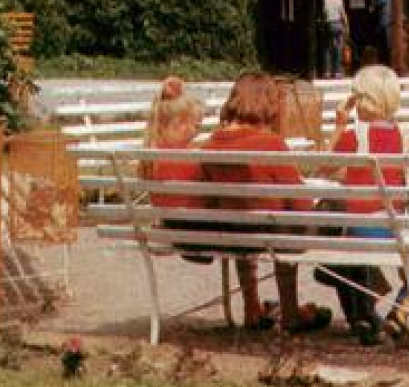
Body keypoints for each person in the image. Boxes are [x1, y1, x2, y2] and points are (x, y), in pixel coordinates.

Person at [201, 72, 331, 333]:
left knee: (249, 219)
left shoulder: (210, 145)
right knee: (291, 222)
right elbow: (301, 206)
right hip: (274, 232)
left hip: (234, 232)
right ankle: (291, 311)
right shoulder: (270, 144)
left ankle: (252, 308)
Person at [317, 66, 409, 345]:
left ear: (359, 100)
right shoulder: (407, 137)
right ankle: (399, 313)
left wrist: (339, 126)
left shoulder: (353, 136)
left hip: (355, 232)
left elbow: (323, 168)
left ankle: (363, 317)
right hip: (391, 232)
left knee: (352, 253)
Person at [142, 77, 213, 264]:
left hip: (171, 226)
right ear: (179, 124)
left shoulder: (151, 155)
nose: (195, 131)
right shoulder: (187, 159)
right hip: (197, 231)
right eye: (194, 125)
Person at [321, 0, 349, 79]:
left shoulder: (325, 1)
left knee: (328, 48)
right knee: (338, 48)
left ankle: (327, 72)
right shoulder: (339, 0)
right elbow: (343, 14)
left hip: (329, 25)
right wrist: (346, 26)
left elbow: (324, 13)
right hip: (338, 25)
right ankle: (338, 72)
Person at [370, 0, 393, 66]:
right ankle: (388, 61)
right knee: (387, 42)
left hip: (383, 18)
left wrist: (373, 5)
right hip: (389, 18)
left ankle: (383, 62)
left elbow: (381, 1)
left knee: (383, 42)